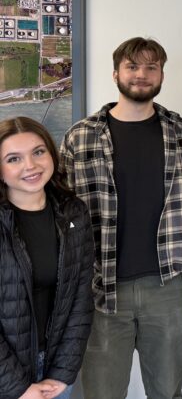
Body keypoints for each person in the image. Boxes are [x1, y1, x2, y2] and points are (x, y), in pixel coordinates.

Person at [60, 37, 182, 399]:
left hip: (166, 285)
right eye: (133, 66)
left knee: (167, 393)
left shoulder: (180, 132)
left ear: (162, 74)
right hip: (101, 288)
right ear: (116, 73)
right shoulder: (80, 137)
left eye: (151, 67)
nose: (141, 75)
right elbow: (61, 214)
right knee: (102, 394)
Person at [0, 117, 93, 399]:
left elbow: (81, 299)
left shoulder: (74, 213)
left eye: (38, 152)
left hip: (54, 372)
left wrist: (62, 374)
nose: (31, 166)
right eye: (14, 158)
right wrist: (18, 387)